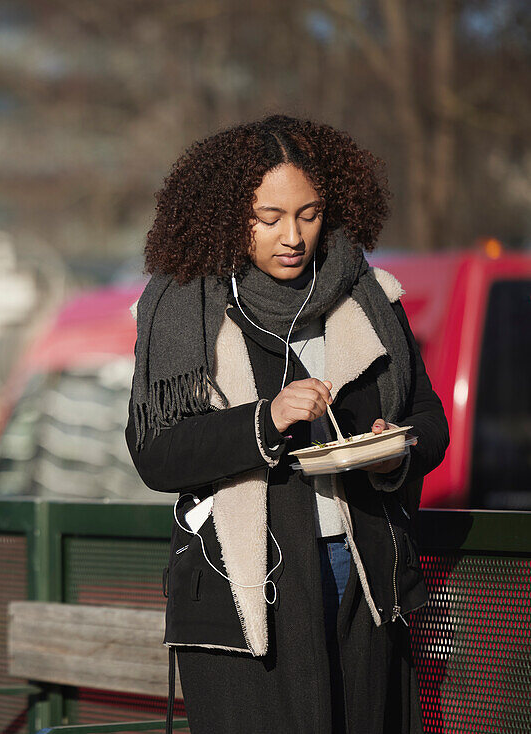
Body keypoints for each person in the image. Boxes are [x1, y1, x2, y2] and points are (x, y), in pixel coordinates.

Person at [125, 115, 449, 733]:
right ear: (228, 215)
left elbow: (430, 421)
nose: (292, 236)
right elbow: (156, 454)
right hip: (244, 588)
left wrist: (394, 451)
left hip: (365, 578)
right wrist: (265, 421)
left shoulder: (370, 298)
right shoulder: (185, 309)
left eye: (309, 213)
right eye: (268, 218)